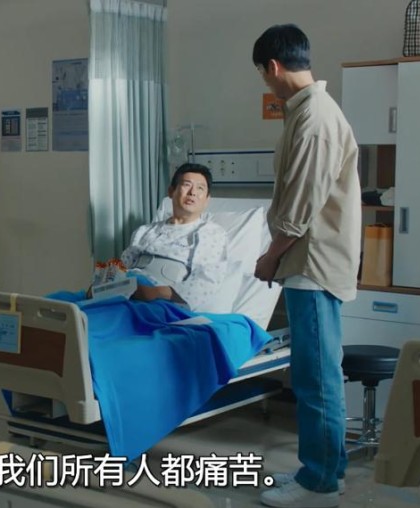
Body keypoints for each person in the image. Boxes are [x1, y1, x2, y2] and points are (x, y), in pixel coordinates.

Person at [251, 24, 361, 508]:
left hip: (310, 263)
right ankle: (328, 470)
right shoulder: (306, 112)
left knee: (315, 376)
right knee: (319, 372)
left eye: (263, 74)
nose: (265, 83)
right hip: (309, 261)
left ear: (274, 67)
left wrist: (270, 256)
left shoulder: (314, 118)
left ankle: (318, 482)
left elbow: (300, 208)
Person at [119, 163, 231, 312]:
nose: (192, 192)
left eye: (200, 188)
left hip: (163, 303)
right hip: (127, 293)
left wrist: (155, 292)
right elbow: (122, 266)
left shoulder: (211, 234)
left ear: (206, 200)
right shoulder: (144, 231)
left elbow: (205, 281)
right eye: (186, 185)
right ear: (171, 191)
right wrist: (104, 284)